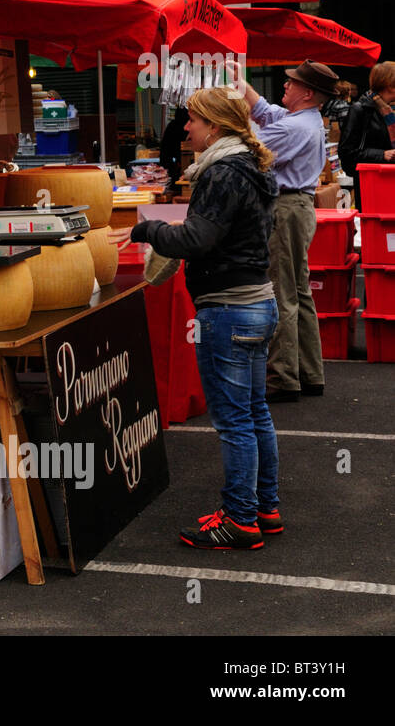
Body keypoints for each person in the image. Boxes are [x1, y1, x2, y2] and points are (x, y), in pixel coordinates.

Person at [130, 86, 280, 550]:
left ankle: (239, 520)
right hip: (257, 304)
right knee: (254, 414)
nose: (186, 127)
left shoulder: (222, 173)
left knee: (236, 421)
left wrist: (146, 227)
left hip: (230, 310)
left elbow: (197, 240)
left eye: (192, 119)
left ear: (215, 126)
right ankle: (263, 509)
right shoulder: (248, 166)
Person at [232, 60, 336, 402]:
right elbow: (264, 110)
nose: (285, 85)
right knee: (299, 292)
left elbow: (251, 147)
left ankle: (282, 378)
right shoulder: (304, 120)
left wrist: (227, 113)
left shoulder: (295, 128)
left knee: (281, 294)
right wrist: (239, 82)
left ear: (307, 93)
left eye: (292, 82)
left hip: (286, 208)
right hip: (297, 207)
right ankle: (309, 373)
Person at [339, 61, 395, 210]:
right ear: (389, 85)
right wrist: (382, 154)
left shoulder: (392, 110)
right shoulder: (361, 110)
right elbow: (346, 153)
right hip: (373, 187)